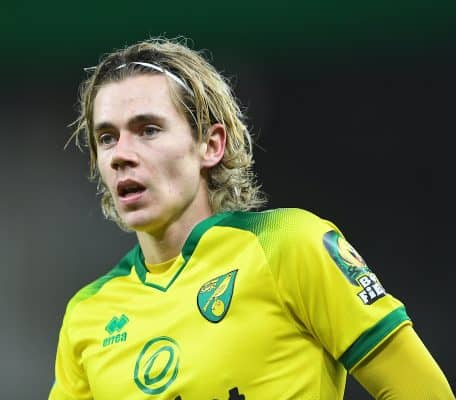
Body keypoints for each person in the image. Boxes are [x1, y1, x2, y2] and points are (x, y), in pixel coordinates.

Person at [48, 37, 454, 399]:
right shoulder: (88, 314)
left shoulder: (288, 245)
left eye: (149, 129)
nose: (121, 154)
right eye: (107, 138)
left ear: (210, 145)